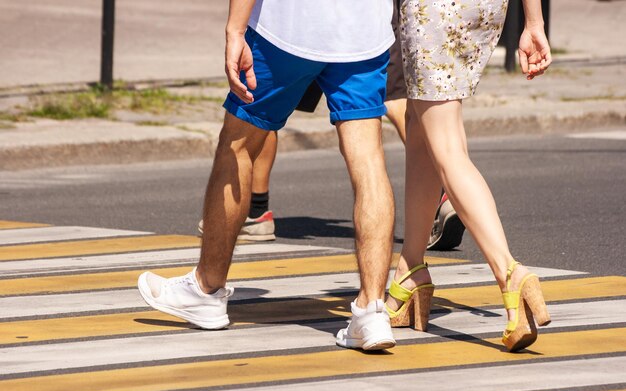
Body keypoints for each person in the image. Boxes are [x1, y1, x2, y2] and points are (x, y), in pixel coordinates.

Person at [138, 0, 398, 351]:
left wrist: (235, 29)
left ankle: (206, 289)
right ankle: (372, 309)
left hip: (289, 29)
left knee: (237, 147)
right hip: (362, 30)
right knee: (368, 159)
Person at [206, 0, 466, 251]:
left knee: (260, 109)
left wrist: (235, 28)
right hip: (362, 27)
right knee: (372, 143)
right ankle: (442, 189)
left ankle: (256, 212)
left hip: (298, 25)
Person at [385, 0, 553, 352]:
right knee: (421, 127)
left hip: (434, 9)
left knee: (447, 147)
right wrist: (533, 21)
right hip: (485, 7)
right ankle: (410, 267)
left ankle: (510, 273)